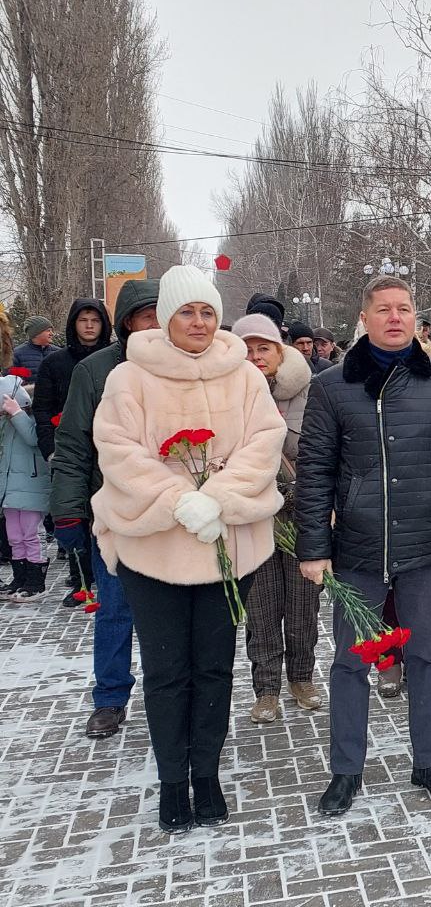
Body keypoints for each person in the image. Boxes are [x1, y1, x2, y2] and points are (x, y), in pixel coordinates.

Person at [91, 263, 286, 832]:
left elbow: (264, 441)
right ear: (166, 318)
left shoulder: (245, 376)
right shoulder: (130, 377)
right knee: (167, 670)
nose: (198, 322)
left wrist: (218, 498)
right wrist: (180, 499)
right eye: (186, 312)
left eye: (207, 311)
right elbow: (118, 450)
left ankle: (207, 774)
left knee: (214, 669)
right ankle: (173, 780)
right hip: (153, 550)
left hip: (228, 550)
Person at [295, 273, 431, 817]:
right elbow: (314, 470)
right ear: (366, 317)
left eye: (403, 308)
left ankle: (429, 763)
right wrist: (314, 546)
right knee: (354, 660)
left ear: (415, 318)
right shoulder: (333, 385)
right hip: (357, 545)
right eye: (383, 309)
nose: (395, 317)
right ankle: (345, 771)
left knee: (425, 655)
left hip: (426, 544)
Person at [49, 279, 160, 738]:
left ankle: (168, 692)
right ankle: (111, 697)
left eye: (160, 313)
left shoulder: (178, 367)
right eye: (145, 315)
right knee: (115, 610)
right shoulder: (95, 371)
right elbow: (73, 444)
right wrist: (68, 511)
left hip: (171, 515)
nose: (154, 323)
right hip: (114, 512)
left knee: (169, 616)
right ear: (127, 322)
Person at [232, 314, 325, 724]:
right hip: (253, 520)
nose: (255, 357)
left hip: (301, 515)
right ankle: (266, 687)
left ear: (279, 351)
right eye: (247, 350)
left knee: (303, 603)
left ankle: (301, 677)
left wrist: (296, 493)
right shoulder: (225, 395)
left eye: (263, 348)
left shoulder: (311, 392)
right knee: (263, 606)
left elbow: (325, 454)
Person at [32, 298, 112, 605]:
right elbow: (42, 408)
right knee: (74, 521)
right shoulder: (55, 362)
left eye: (95, 320)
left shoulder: (117, 359)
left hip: (107, 452)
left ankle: (108, 580)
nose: (89, 326)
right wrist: (51, 447)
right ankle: (82, 582)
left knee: (104, 521)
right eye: (83, 320)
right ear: (73, 324)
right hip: (71, 450)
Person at [0, 368, 50, 601]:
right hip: (9, 488)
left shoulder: (30, 416)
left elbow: (33, 438)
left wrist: (17, 413)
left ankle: (36, 580)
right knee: (14, 536)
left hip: (31, 485)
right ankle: (19, 577)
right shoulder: (5, 424)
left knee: (30, 533)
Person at [13, 316, 56, 382]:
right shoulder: (16, 355)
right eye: (48, 331)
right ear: (36, 333)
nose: (52, 334)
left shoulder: (58, 352)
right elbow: (12, 384)